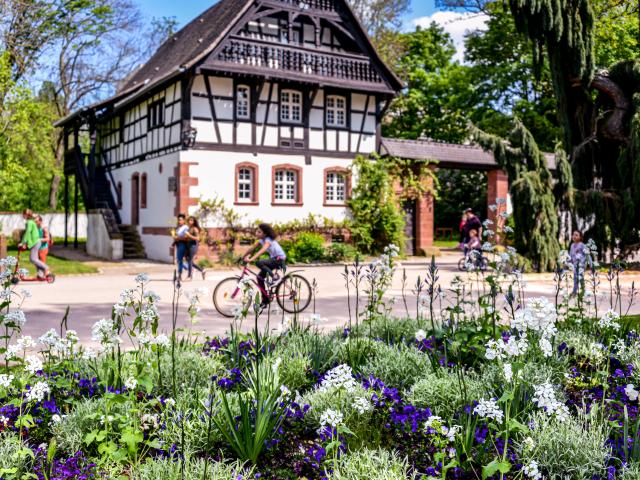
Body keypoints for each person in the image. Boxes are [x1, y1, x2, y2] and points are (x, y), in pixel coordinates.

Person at [242, 223, 286, 308]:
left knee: (259, 262)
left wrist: (252, 259)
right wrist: (242, 257)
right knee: (259, 278)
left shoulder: (268, 240)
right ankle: (266, 300)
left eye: (259, 232)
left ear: (264, 234)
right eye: (257, 231)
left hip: (279, 260)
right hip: (274, 259)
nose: (256, 233)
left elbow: (263, 250)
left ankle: (275, 277)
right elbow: (252, 248)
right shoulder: (261, 240)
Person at [19, 209, 49, 278]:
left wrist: (23, 242)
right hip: (35, 243)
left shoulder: (29, 222)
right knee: (33, 259)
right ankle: (41, 274)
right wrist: (25, 243)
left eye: (23, 214)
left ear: (26, 215)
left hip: (35, 243)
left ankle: (45, 268)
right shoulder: (31, 222)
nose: (22, 215)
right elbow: (29, 234)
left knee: (33, 259)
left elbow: (27, 233)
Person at [184, 216, 206, 280]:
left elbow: (197, 238)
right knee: (188, 260)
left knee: (190, 260)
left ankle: (189, 276)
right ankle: (202, 270)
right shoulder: (188, 228)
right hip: (188, 245)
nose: (190, 222)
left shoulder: (195, 229)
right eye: (189, 220)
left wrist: (189, 235)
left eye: (191, 220)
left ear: (194, 222)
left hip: (193, 245)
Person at [171, 214, 191, 282]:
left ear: (184, 220)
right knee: (180, 260)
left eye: (181, 220)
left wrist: (177, 238)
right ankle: (189, 269)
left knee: (180, 260)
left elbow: (186, 237)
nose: (179, 221)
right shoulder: (178, 228)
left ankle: (180, 275)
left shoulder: (186, 227)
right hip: (178, 245)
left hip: (183, 245)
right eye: (178, 220)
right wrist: (174, 237)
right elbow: (176, 236)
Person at [569, 230, 588, 296]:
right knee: (575, 278)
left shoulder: (582, 245)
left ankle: (582, 291)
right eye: (573, 234)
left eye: (576, 235)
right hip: (574, 265)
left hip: (581, 265)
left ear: (580, 237)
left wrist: (585, 262)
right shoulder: (572, 245)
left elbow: (586, 254)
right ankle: (575, 291)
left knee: (580, 278)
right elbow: (570, 255)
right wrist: (568, 262)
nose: (574, 236)